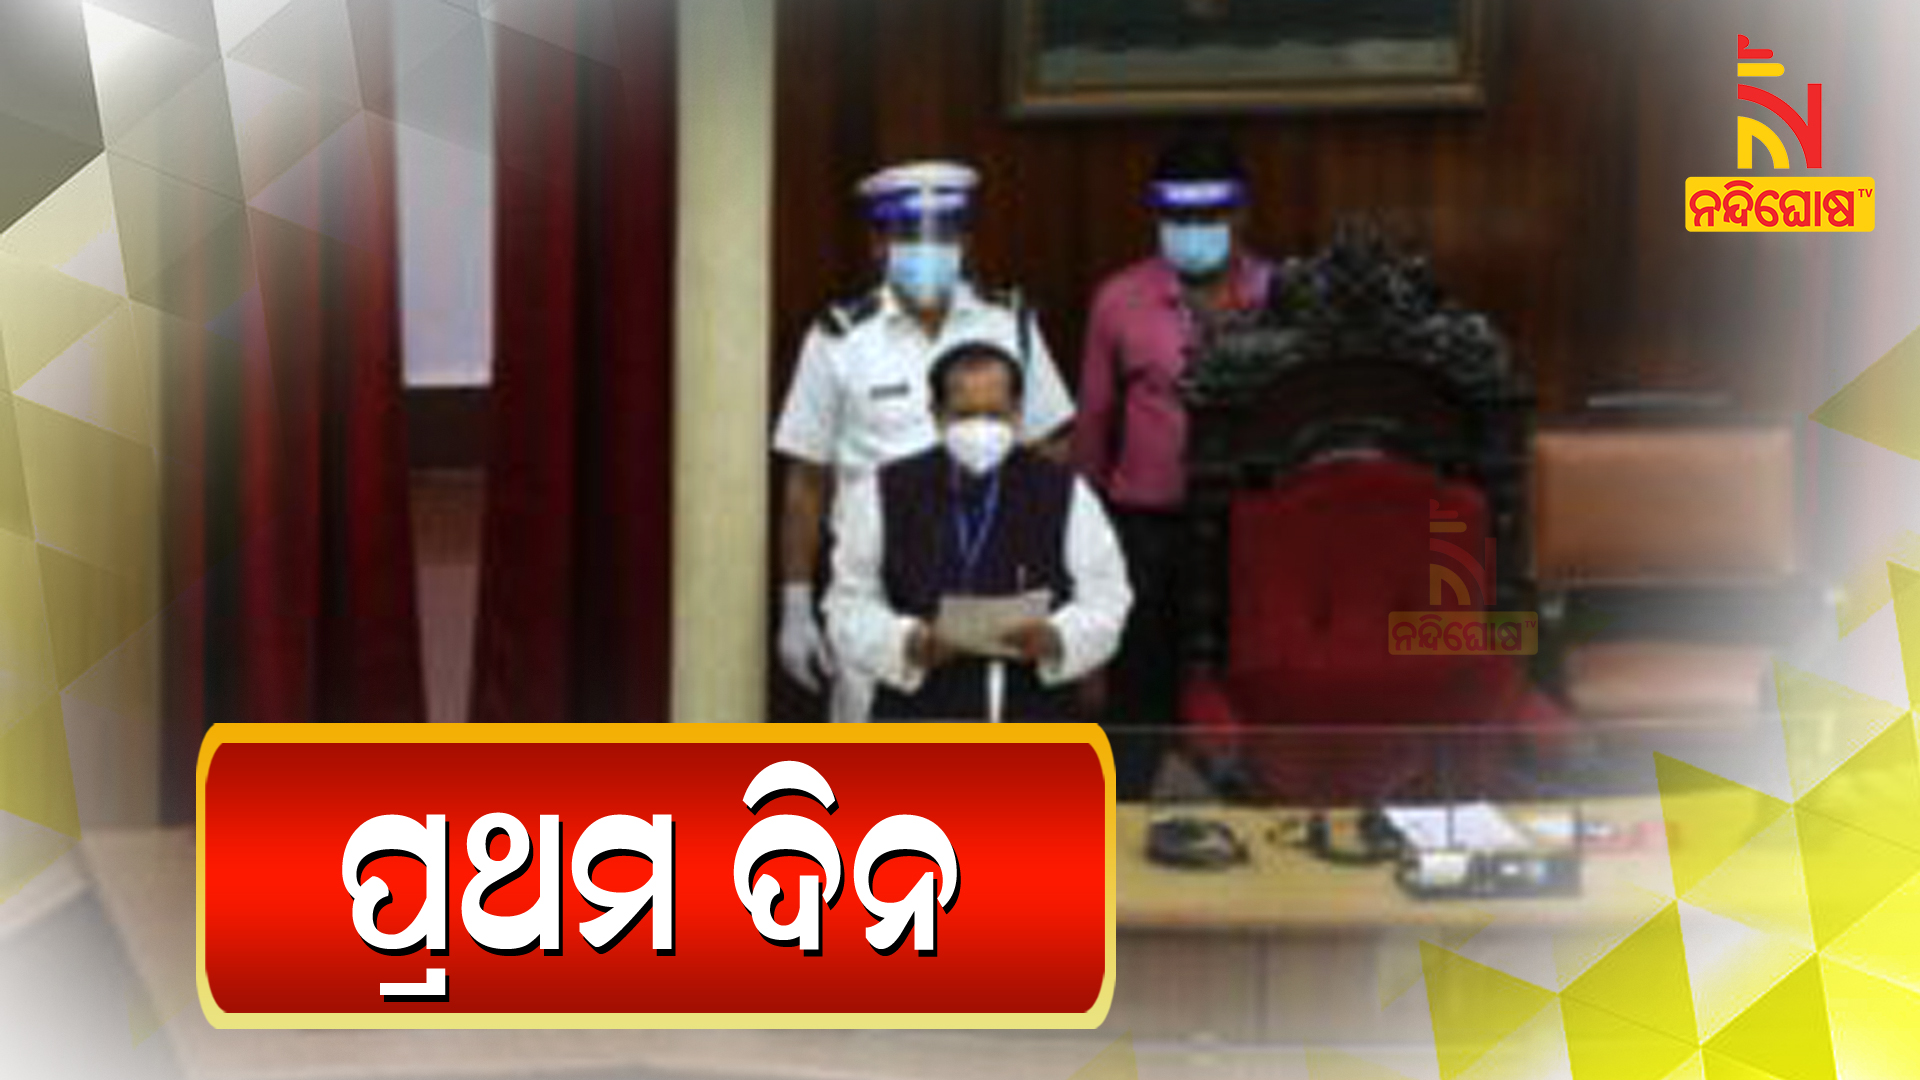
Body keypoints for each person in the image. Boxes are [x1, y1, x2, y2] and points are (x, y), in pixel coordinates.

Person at [772, 161, 1079, 723]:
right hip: (880, 596)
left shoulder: (1009, 324)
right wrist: (795, 604)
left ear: (965, 243)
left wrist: (1058, 580)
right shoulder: (840, 339)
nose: (929, 249)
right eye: (911, 236)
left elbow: (1051, 450)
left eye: (945, 235)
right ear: (879, 244)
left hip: (994, 591)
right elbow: (807, 480)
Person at [1071, 133, 1278, 797]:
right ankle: (1125, 813)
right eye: (1177, 217)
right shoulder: (1120, 299)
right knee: (1140, 689)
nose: (1192, 230)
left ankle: (1252, 814)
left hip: (1252, 529)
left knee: (1251, 683)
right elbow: (1093, 425)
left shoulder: (1281, 296)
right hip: (1146, 530)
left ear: (1240, 214)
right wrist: (1083, 540)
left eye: (1207, 216)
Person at [826, 343, 1130, 723]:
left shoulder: (1065, 493)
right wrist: (908, 642)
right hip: (918, 717)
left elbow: (1107, 599)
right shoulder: (884, 491)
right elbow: (848, 604)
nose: (981, 428)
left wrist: (1056, 637)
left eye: (995, 414)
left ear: (1017, 414)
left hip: (1035, 717)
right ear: (936, 416)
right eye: (965, 415)